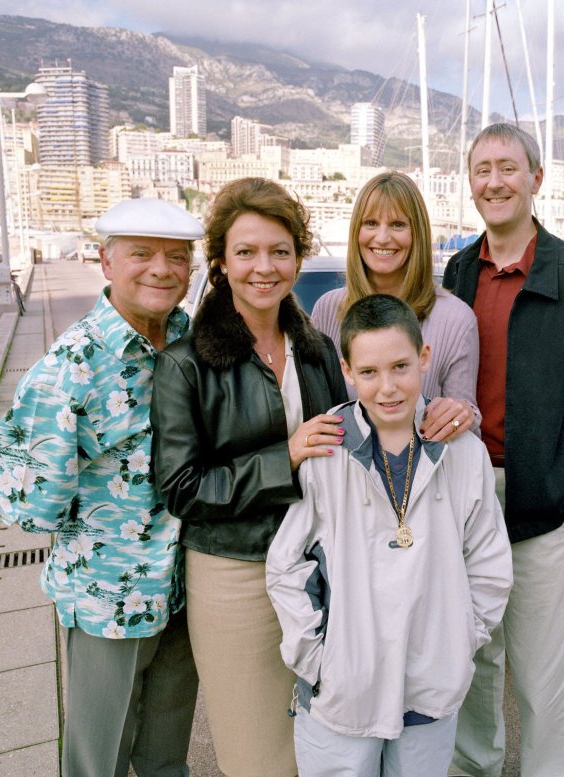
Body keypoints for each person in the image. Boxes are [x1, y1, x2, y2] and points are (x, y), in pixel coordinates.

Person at [443, 123, 564, 777]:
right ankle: (476, 766)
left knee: (542, 671)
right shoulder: (456, 271)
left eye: (507, 167)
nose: (494, 181)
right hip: (466, 497)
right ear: (469, 182)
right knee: (474, 658)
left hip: (540, 501)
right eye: (481, 169)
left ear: (536, 177)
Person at [0, 197, 204, 777]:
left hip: (184, 585)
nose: (161, 269)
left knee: (167, 754)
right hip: (109, 595)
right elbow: (30, 505)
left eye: (177, 257)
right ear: (107, 263)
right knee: (98, 756)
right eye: (141, 254)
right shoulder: (70, 368)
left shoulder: (188, 341)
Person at [266, 293, 513, 777]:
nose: (387, 388)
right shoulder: (326, 449)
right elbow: (288, 564)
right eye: (370, 372)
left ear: (424, 358)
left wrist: (459, 643)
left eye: (401, 366)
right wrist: (316, 660)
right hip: (344, 685)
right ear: (347, 371)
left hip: (430, 681)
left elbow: (488, 562)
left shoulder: (462, 451)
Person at [150, 177, 349, 777]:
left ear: (298, 259)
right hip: (235, 574)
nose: (264, 267)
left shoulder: (316, 348)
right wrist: (283, 457)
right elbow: (181, 487)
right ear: (220, 264)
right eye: (246, 252)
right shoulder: (183, 365)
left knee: (326, 737)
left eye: (280, 251)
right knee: (256, 750)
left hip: (321, 562)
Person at [311, 170, 479, 442]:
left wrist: (461, 415)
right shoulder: (327, 310)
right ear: (356, 231)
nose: (383, 237)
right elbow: (317, 411)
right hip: (344, 477)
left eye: (398, 225)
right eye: (371, 223)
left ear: (418, 233)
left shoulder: (457, 319)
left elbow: (466, 424)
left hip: (425, 477)